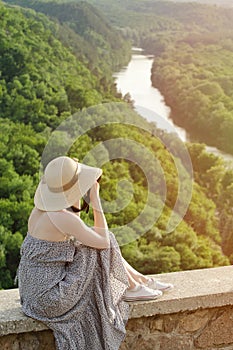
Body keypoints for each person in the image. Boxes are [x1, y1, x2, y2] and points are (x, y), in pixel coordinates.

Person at [18, 156, 173, 350]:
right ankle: (132, 287)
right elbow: (103, 242)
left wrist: (74, 194)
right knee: (101, 243)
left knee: (93, 240)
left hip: (31, 295)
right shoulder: (62, 218)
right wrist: (95, 200)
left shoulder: (40, 211)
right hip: (50, 300)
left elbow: (76, 225)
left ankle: (139, 281)